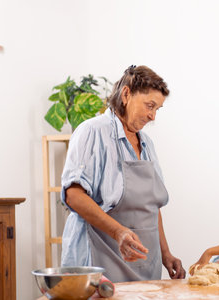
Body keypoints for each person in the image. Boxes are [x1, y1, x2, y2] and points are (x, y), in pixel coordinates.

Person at [60, 65, 186, 282]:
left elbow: (151, 205)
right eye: (150, 105)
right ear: (127, 94)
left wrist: (166, 253)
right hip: (101, 260)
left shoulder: (146, 143)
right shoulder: (93, 132)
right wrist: (119, 232)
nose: (152, 116)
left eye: (157, 109)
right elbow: (74, 195)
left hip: (145, 264)